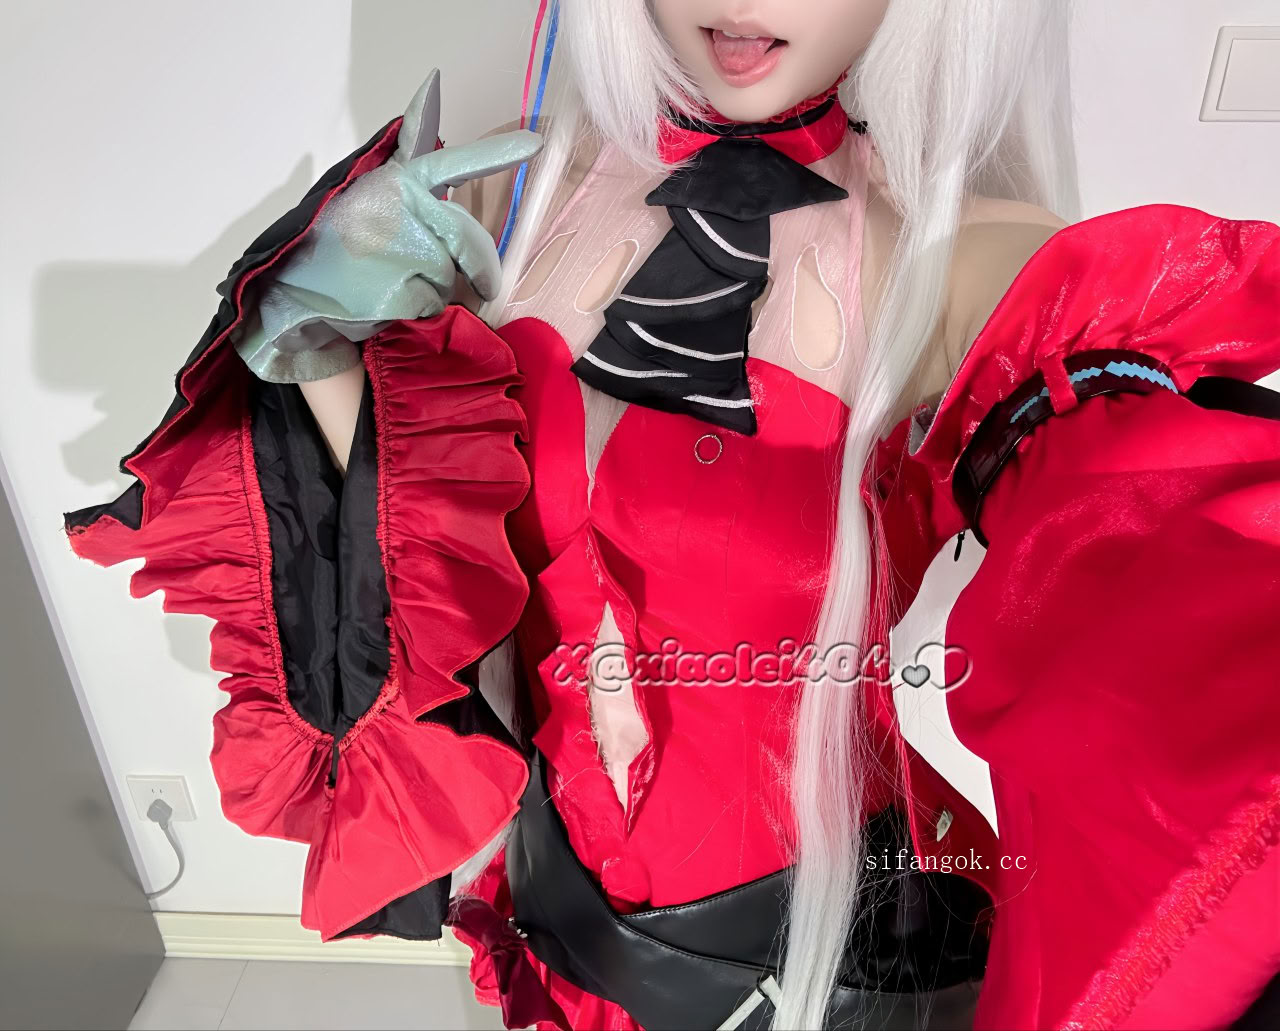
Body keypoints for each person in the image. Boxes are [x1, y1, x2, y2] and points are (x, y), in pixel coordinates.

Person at [64, 1, 1280, 1028]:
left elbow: (1152, 540)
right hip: (558, 904)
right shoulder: (516, 210)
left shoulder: (964, 263)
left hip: (809, 958)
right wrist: (322, 351)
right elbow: (424, 564)